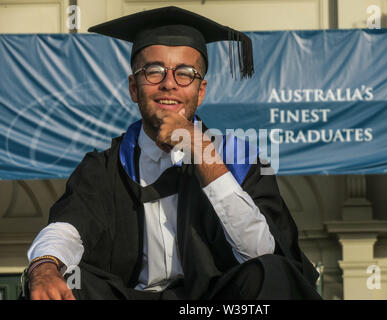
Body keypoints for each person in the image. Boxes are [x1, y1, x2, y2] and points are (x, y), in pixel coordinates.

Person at [24, 6, 321, 300]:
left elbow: (260, 253)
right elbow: (66, 229)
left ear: (200, 90)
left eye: (185, 73)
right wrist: (44, 265)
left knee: (270, 272)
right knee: (63, 279)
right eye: (153, 71)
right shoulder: (104, 169)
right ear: (133, 87)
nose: (169, 83)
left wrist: (203, 153)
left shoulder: (241, 160)